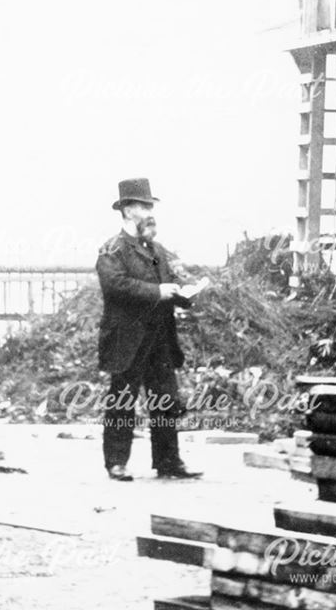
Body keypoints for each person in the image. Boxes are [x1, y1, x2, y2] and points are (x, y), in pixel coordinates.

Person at [96, 178, 203, 481]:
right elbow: (115, 285)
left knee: (165, 399)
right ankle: (116, 462)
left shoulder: (157, 249)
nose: (149, 212)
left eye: (150, 206)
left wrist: (182, 294)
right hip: (127, 338)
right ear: (128, 210)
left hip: (160, 337)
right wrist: (158, 292)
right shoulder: (112, 249)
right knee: (122, 401)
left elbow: (167, 283)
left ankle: (168, 462)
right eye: (143, 206)